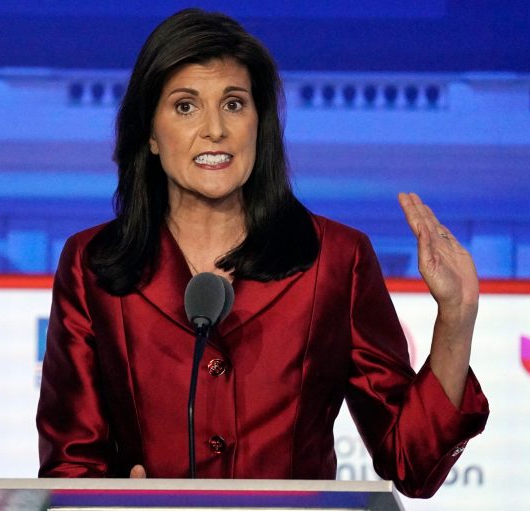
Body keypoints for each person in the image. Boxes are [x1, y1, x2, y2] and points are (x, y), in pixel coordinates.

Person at [36, 8, 488, 498]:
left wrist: (457, 317)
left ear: (260, 124)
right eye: (185, 107)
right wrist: (113, 507)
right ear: (149, 133)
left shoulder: (336, 259)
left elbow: (413, 463)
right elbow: (69, 467)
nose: (215, 130)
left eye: (234, 104)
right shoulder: (93, 264)